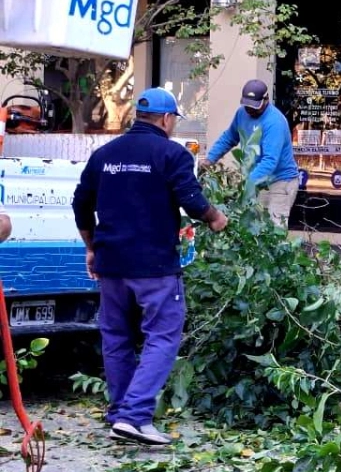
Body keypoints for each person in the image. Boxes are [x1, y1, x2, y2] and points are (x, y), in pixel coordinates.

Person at [71, 88, 228, 446]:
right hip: (154, 268)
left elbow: (80, 205)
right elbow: (190, 200)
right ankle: (134, 414)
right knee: (163, 335)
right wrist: (216, 218)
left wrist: (91, 247)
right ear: (166, 119)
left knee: (116, 338)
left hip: (112, 265)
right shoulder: (171, 154)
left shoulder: (105, 155)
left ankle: (120, 414)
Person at [199, 79, 300, 229]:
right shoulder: (241, 114)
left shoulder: (274, 122)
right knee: (254, 229)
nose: (250, 110)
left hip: (280, 182)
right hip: (258, 181)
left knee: (273, 231)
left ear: (266, 100)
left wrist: (246, 184)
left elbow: (269, 161)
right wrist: (209, 159)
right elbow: (229, 137)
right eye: (247, 106)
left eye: (255, 107)